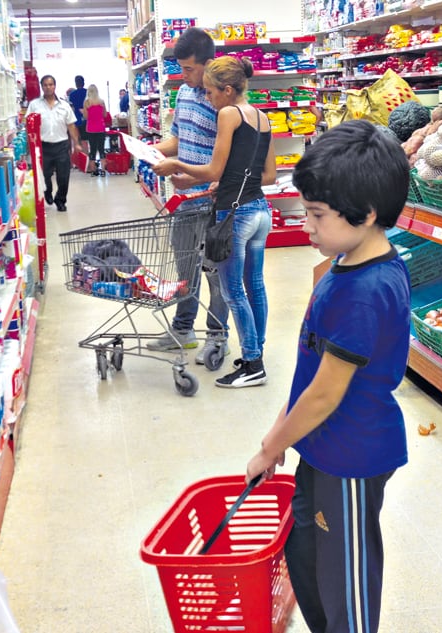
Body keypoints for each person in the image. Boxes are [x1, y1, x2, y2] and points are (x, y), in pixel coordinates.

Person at [244, 120, 412, 633]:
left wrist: (271, 446)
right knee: (307, 556)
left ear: (365, 213)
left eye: (317, 214)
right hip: (322, 446)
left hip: (353, 454)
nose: (307, 225)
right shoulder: (343, 265)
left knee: (346, 579)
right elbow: (309, 373)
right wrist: (279, 435)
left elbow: (324, 394)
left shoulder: (366, 291)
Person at [154, 56, 276, 388]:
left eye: (210, 92)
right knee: (255, 286)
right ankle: (256, 353)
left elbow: (213, 169)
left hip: (235, 215)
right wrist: (228, 182)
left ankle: (253, 364)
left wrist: (177, 166)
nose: (207, 99)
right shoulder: (262, 117)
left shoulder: (228, 114)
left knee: (232, 290)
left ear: (227, 90)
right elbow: (268, 175)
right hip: (260, 211)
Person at [146, 27, 229, 365]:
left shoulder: (221, 101)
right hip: (184, 200)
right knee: (184, 269)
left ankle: (217, 336)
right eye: (181, 68)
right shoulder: (182, 93)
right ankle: (183, 329)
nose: (184, 75)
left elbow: (227, 157)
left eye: (189, 68)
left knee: (215, 272)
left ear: (208, 64)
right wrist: (150, 150)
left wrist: (195, 178)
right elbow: (178, 139)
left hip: (213, 200)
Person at [27, 75, 82, 212]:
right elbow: (29, 125)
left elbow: (71, 126)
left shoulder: (64, 105)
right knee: (45, 175)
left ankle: (60, 200)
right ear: (42, 87)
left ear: (55, 86)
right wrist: (30, 144)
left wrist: (76, 143)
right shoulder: (34, 105)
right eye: (45, 85)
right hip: (43, 146)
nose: (48, 87)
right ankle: (47, 191)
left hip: (61, 145)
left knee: (63, 176)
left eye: (51, 84)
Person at [83, 84, 108, 176]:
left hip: (91, 128)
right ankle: (103, 170)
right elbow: (105, 115)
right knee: (101, 149)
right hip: (101, 127)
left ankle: (93, 170)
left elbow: (86, 117)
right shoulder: (101, 102)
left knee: (92, 149)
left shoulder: (87, 102)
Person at [68, 75, 87, 145]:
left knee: (78, 140)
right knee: (88, 140)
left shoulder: (72, 95)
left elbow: (71, 108)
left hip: (77, 119)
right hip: (88, 119)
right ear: (83, 83)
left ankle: (81, 151)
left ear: (76, 83)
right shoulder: (88, 93)